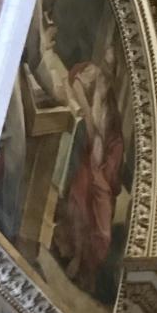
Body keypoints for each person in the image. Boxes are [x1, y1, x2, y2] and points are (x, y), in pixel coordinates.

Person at [53, 41, 126, 291]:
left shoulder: (111, 104)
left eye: (112, 66)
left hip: (102, 168)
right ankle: (75, 255)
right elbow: (75, 84)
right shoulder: (92, 74)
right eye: (107, 61)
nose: (107, 68)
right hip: (86, 157)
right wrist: (89, 121)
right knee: (78, 200)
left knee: (103, 229)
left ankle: (86, 265)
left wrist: (108, 167)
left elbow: (115, 138)